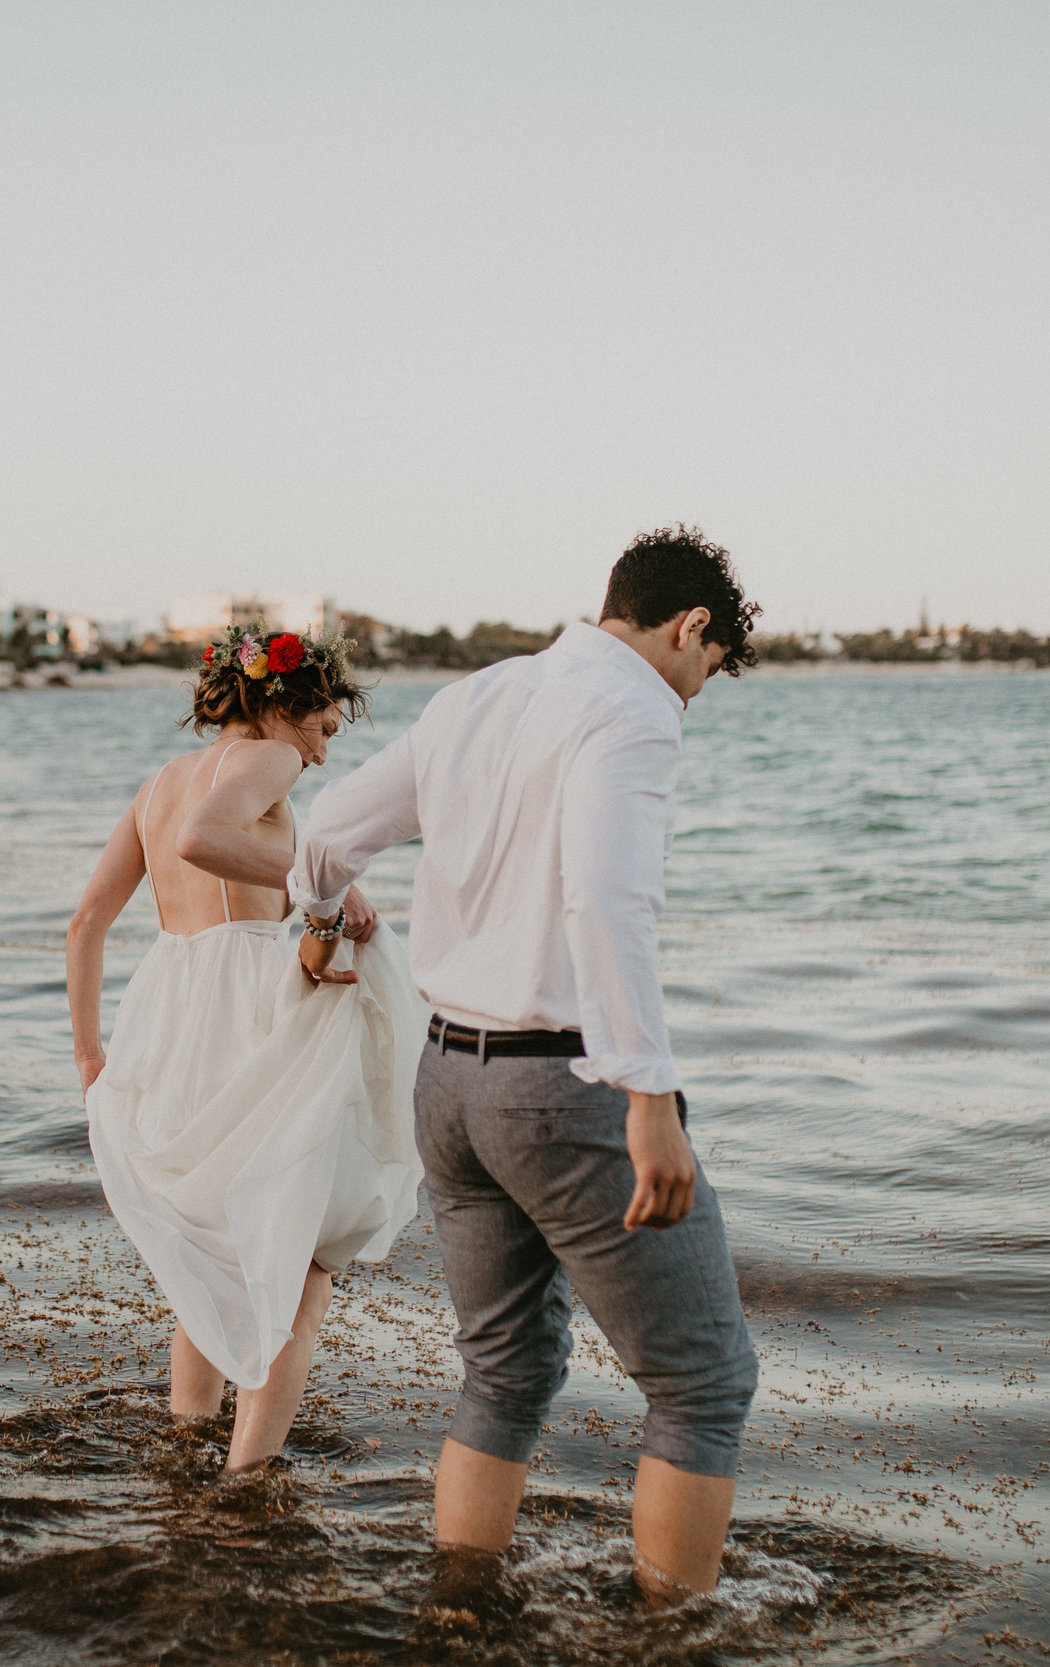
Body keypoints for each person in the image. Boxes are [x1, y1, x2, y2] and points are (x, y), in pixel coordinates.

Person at [287, 526, 762, 1604]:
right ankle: (668, 1637)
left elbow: (328, 832)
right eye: (709, 669)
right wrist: (648, 1094)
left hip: (447, 1082)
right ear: (690, 628)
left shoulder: (480, 695)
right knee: (701, 1380)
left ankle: (459, 1611)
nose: (696, 692)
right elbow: (607, 897)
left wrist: (320, 924)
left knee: (501, 1373)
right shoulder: (633, 708)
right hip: (562, 1087)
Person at [66, 622, 427, 1475]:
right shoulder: (270, 758)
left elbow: (85, 924)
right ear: (281, 703)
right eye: (325, 729)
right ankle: (245, 1479)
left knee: (218, 1247)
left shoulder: (158, 783)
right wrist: (327, 890)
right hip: (251, 1008)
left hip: (170, 1017)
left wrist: (89, 1055)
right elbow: (204, 839)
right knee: (300, 1259)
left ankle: (186, 1440)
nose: (325, 753)